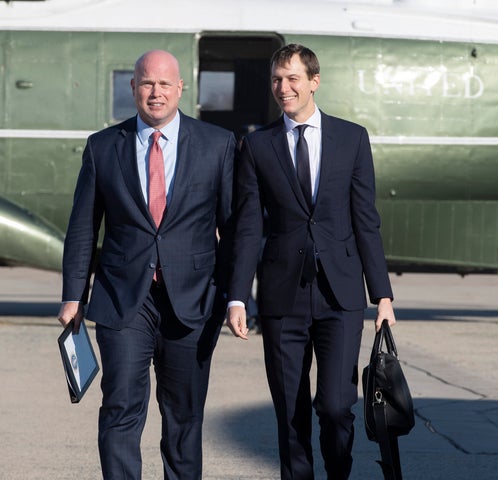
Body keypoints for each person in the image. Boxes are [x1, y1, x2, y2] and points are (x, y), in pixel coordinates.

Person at [57, 50, 236, 480]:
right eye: (146, 83)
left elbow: (234, 230)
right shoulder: (103, 147)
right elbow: (83, 227)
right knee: (119, 407)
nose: (155, 93)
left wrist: (235, 296)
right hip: (123, 301)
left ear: (180, 89)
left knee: (184, 417)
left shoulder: (218, 144)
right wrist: (72, 296)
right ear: (133, 88)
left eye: (164, 84)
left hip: (193, 302)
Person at [225, 43, 396, 480]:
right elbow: (247, 227)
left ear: (314, 81)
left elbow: (366, 220)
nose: (283, 88)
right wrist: (238, 297)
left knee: (337, 406)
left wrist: (382, 295)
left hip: (340, 296)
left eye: (292, 78)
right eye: (277, 80)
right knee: (290, 411)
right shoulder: (257, 145)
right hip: (283, 296)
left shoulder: (352, 138)